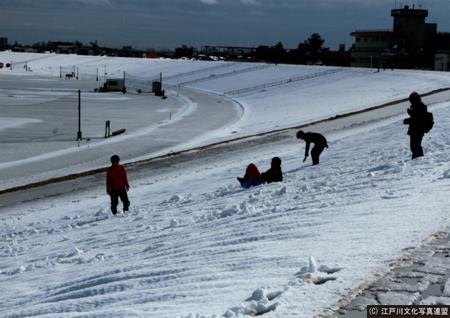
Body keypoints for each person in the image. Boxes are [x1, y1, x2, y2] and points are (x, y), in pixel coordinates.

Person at [403, 92, 428, 159]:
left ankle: (418, 160)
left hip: (417, 130)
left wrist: (407, 121)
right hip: (418, 129)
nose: (410, 102)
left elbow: (417, 119)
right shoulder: (420, 106)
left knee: (415, 147)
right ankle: (418, 160)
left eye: (410, 100)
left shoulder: (419, 106)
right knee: (415, 146)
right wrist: (410, 113)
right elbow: (417, 117)